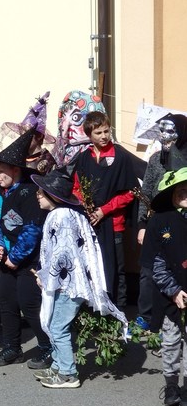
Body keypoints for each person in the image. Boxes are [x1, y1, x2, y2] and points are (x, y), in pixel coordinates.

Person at [32, 168, 126, 389]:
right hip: (69, 282)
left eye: (41, 191)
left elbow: (62, 254)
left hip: (68, 285)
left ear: (53, 196)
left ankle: (68, 373)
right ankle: (58, 366)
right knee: (54, 323)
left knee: (58, 327)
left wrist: (45, 276)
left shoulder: (61, 216)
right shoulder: (67, 213)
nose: (37, 195)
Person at [0, 129, 52, 368]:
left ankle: (48, 347)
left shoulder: (29, 192)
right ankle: (11, 346)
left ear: (15, 170)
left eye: (2, 171)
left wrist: (16, 257)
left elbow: (32, 230)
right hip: (6, 257)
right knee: (6, 302)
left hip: (28, 260)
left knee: (29, 303)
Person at [71, 111, 139, 308]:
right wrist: (86, 206)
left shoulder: (120, 157)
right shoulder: (84, 158)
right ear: (89, 135)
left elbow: (130, 192)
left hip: (113, 223)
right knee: (93, 266)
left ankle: (119, 312)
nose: (104, 136)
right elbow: (76, 188)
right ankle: (96, 310)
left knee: (116, 269)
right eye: (98, 133)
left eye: (106, 131)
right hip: (90, 222)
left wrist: (104, 210)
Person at [136, 113, 187, 329]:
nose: (165, 135)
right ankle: (147, 317)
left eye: (170, 131)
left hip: (181, 224)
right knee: (150, 271)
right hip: (157, 222)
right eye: (162, 130)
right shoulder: (155, 159)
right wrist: (142, 225)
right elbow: (146, 192)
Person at [144, 167, 187, 406]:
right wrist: (174, 291)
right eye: (180, 190)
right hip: (170, 296)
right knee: (170, 342)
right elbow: (156, 264)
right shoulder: (161, 222)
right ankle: (171, 386)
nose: (185, 194)